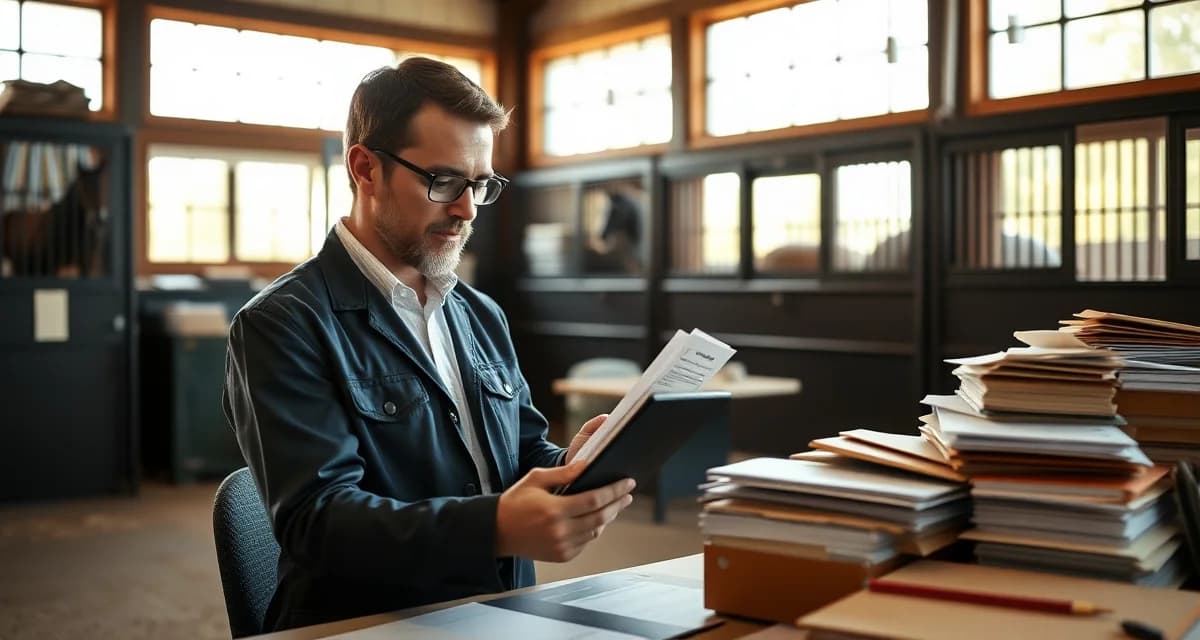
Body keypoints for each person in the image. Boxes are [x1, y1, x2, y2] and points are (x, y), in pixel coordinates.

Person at [221, 57, 636, 632]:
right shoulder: (282, 324)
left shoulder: (480, 314)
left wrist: (570, 467)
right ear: (365, 169)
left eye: (480, 185)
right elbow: (318, 523)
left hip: (502, 613)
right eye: (443, 181)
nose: (467, 209)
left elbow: (519, 455)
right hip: (370, 627)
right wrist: (494, 527)